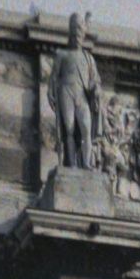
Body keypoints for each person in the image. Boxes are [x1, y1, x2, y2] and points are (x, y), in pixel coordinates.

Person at [50, 12, 103, 171]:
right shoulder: (62, 54)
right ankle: (71, 163)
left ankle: (86, 163)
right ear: (71, 34)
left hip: (81, 94)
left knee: (86, 129)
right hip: (66, 91)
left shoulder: (88, 58)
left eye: (80, 32)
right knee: (69, 129)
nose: (77, 35)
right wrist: (50, 92)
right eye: (75, 32)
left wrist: (96, 89)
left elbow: (95, 80)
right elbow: (53, 76)